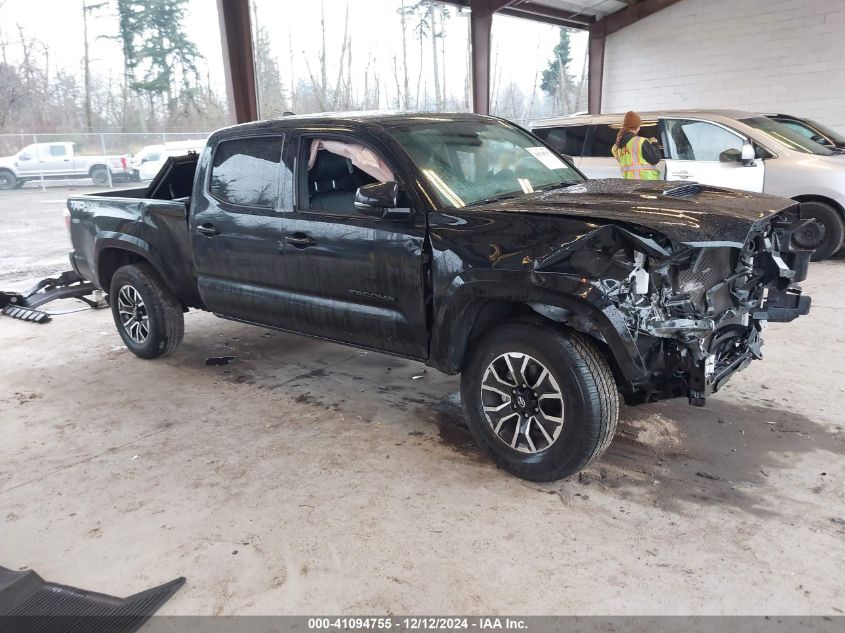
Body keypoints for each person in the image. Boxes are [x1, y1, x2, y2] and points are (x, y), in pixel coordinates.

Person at [611, 111, 661, 180]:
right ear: (636, 127)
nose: (639, 128)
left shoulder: (616, 147)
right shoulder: (640, 141)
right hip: (646, 182)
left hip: (629, 183)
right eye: (639, 126)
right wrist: (654, 143)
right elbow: (655, 159)